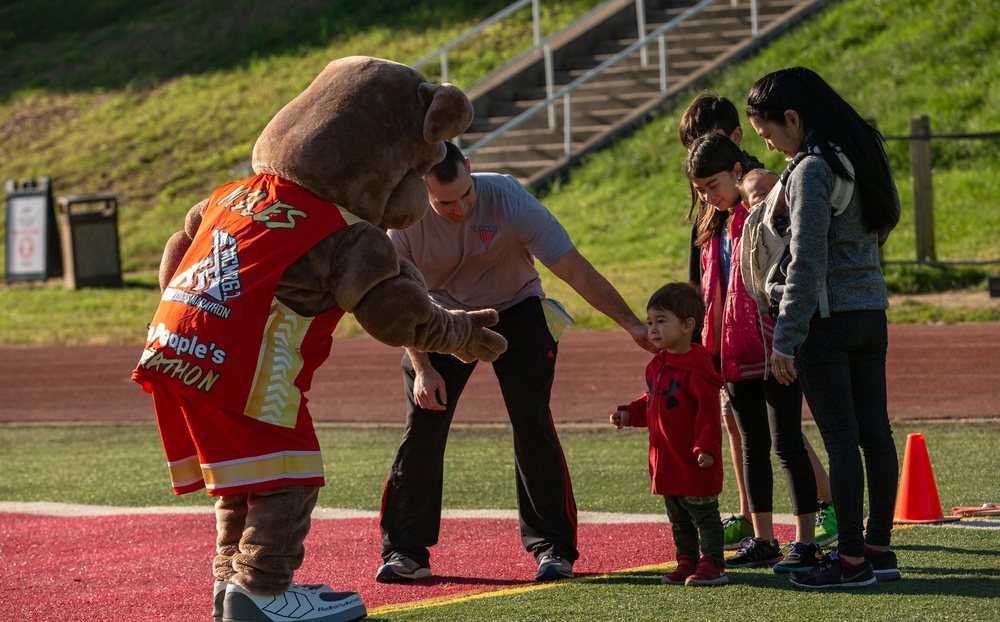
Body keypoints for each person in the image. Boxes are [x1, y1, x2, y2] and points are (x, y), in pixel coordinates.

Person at [376, 141, 656, 583]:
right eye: (444, 202)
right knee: (424, 424)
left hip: (517, 306)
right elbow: (399, 303)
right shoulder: (403, 221)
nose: (460, 208)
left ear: (470, 169)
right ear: (421, 187)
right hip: (440, 319)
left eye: (465, 194)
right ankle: (404, 551)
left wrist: (631, 324)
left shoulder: (507, 197)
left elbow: (574, 268)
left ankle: (553, 548)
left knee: (531, 419)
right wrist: (425, 370)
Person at [746, 66, 901, 589]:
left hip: (827, 322)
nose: (769, 147)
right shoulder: (862, 149)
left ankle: (851, 561)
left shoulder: (811, 168)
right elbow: (890, 216)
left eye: (770, 134)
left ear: (794, 117)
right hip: (870, 312)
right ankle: (879, 548)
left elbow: (807, 257)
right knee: (876, 434)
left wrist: (785, 339)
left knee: (841, 440)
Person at [678, 93, 838, 550]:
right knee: (750, 439)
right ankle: (761, 533)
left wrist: (758, 189)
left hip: (772, 340)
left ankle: (812, 527)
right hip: (730, 347)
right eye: (700, 187)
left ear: (734, 147)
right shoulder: (714, 216)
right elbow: (708, 284)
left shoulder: (758, 196)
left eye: (711, 184)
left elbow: (787, 250)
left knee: (783, 437)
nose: (706, 195)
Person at [611, 282, 728, 587]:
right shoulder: (657, 365)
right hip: (667, 464)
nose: (653, 329)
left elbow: (708, 415)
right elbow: (653, 401)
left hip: (693, 462)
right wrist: (629, 413)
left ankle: (713, 563)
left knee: (704, 516)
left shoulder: (697, 371)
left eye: (661, 321)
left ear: (688, 326)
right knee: (679, 519)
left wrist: (706, 447)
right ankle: (686, 560)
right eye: (650, 322)